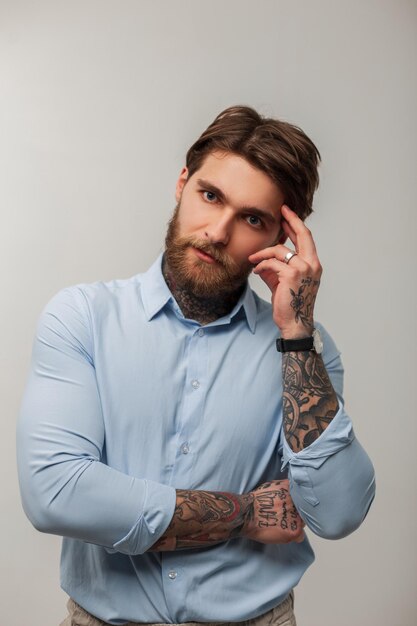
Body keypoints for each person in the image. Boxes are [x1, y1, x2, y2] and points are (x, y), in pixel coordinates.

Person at [17, 105, 375, 626]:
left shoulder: (304, 353)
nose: (218, 231)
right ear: (183, 182)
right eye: (210, 196)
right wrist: (247, 513)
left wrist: (297, 335)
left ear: (283, 238)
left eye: (252, 218)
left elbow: (337, 512)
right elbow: (56, 494)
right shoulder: (83, 319)